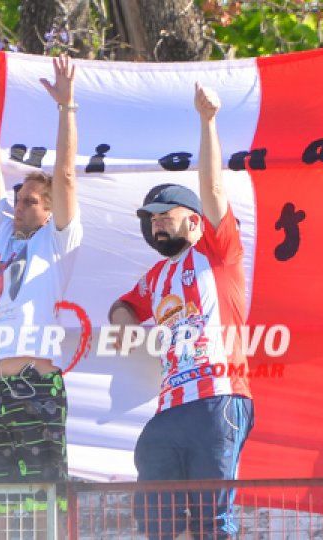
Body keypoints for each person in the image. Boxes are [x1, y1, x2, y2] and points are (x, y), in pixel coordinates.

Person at [108, 83, 253, 539]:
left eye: (163, 214)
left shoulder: (217, 250)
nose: (155, 223)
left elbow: (211, 187)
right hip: (169, 407)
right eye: (150, 218)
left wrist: (208, 122)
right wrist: (129, 331)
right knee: (156, 518)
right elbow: (121, 307)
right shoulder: (155, 276)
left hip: (218, 399)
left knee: (213, 523)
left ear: (193, 220)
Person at [0, 48, 82, 526]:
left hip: (34, 386)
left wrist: (66, 106)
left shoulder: (58, 242)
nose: (20, 206)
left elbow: (67, 175)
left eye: (31, 200)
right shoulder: (2, 234)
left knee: (42, 504)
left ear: (51, 210)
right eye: (18, 199)